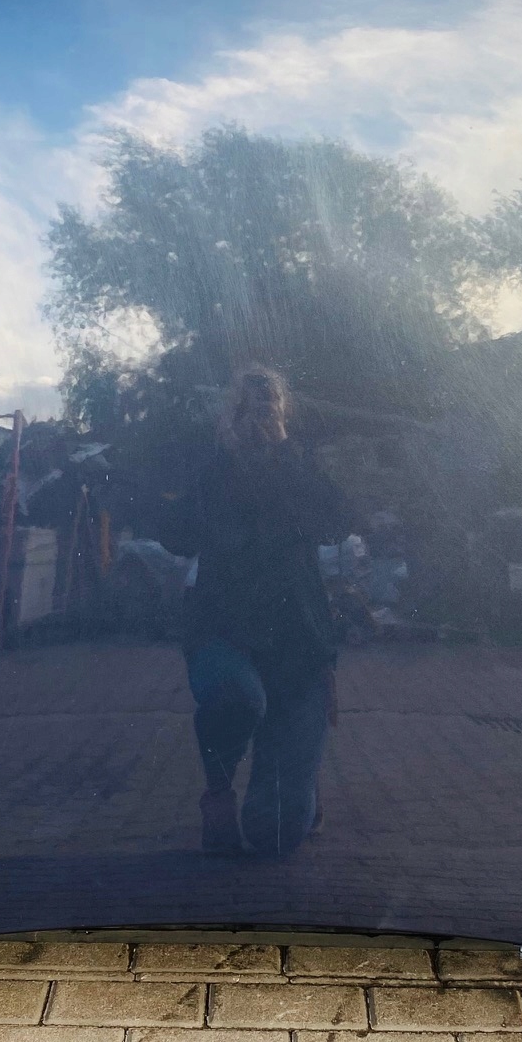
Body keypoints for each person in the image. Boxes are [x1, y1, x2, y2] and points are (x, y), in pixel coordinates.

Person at [162, 366, 346, 857]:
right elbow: (176, 536)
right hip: (224, 634)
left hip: (297, 642)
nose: (259, 419)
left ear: (285, 415)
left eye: (270, 408)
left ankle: (296, 778)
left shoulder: (298, 465)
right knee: (238, 697)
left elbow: (338, 522)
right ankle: (219, 792)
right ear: (229, 416)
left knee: (275, 835)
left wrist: (284, 453)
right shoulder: (212, 468)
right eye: (247, 409)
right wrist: (222, 461)